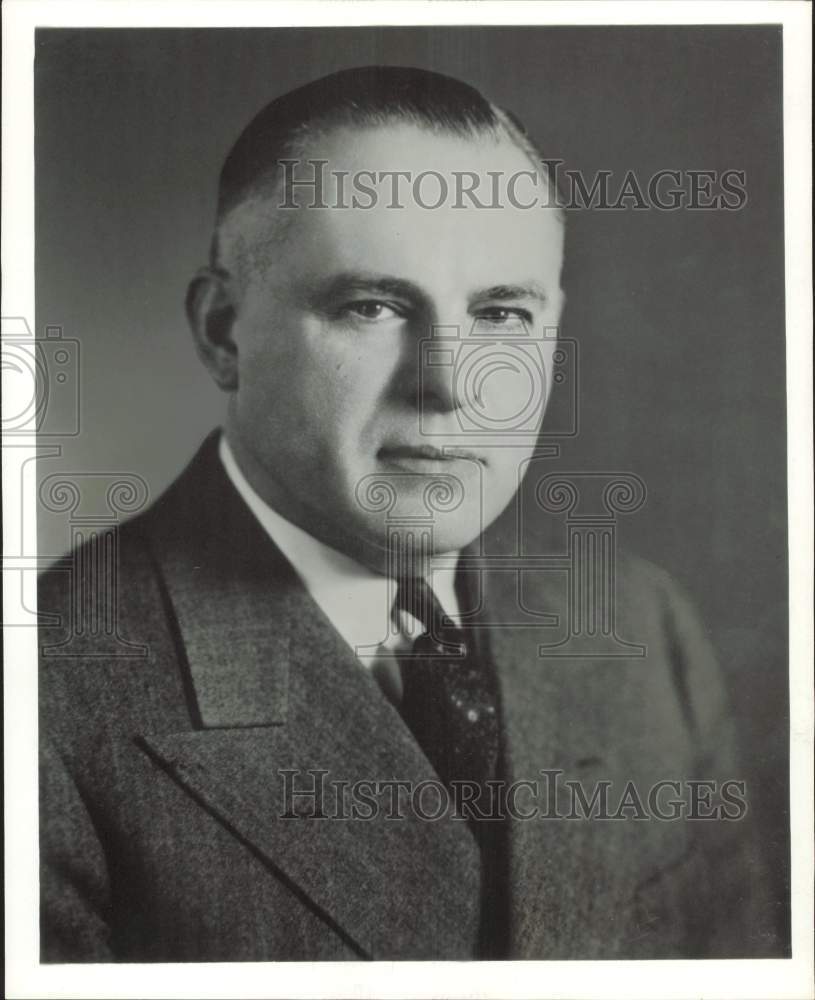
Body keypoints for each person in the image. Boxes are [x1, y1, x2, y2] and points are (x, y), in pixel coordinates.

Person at [38, 66, 779, 962]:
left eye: (502, 314)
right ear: (223, 330)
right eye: (374, 306)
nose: (452, 385)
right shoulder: (44, 701)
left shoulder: (639, 626)